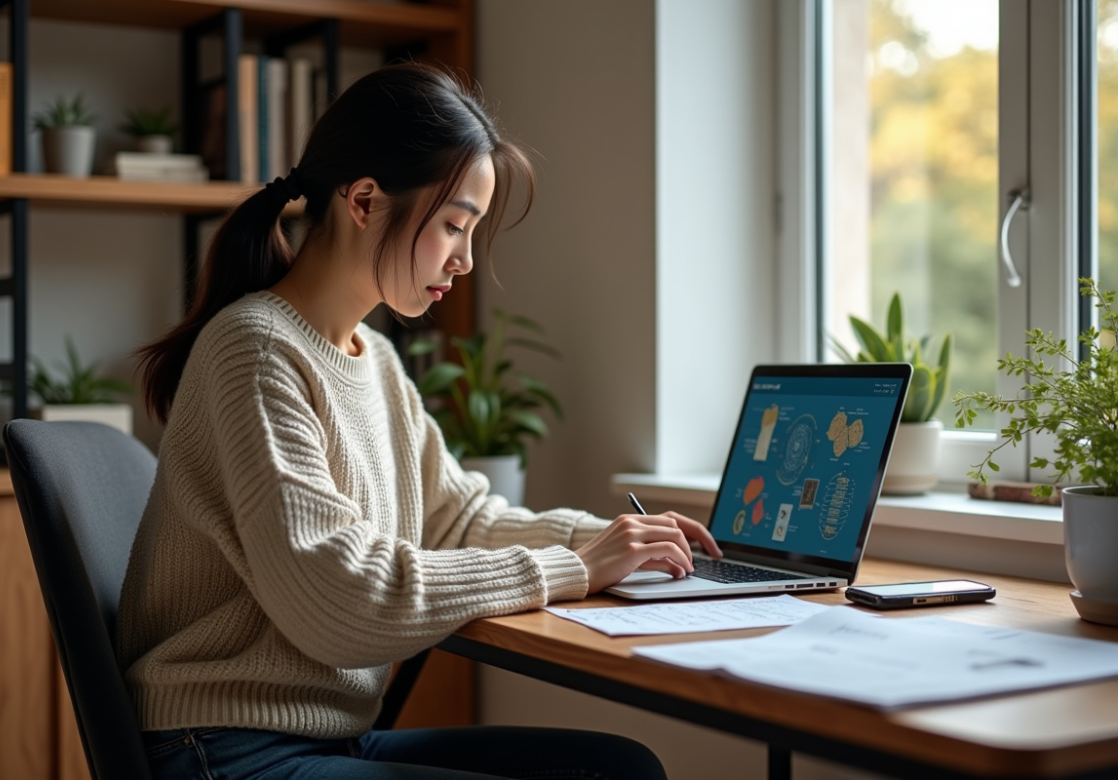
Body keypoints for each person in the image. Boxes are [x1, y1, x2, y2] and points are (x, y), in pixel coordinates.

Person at [120, 62, 719, 780]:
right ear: (365, 202)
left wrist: (611, 540)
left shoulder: (371, 358)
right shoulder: (255, 351)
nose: (465, 259)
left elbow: (456, 519)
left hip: (323, 739)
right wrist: (572, 567)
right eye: (453, 226)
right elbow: (338, 599)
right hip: (225, 749)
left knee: (619, 769)